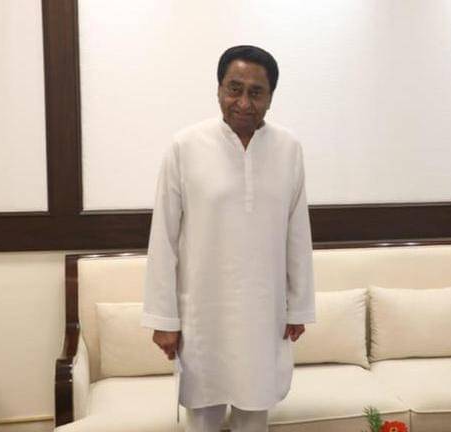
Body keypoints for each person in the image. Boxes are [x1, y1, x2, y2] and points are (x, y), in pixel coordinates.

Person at [142, 45, 315, 432]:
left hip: (263, 311)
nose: (244, 103)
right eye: (234, 89)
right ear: (218, 89)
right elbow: (163, 237)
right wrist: (163, 318)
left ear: (271, 96)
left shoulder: (288, 148)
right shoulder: (185, 146)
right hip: (203, 312)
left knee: (254, 413)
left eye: (256, 92)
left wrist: (299, 307)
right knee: (203, 414)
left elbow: (297, 232)